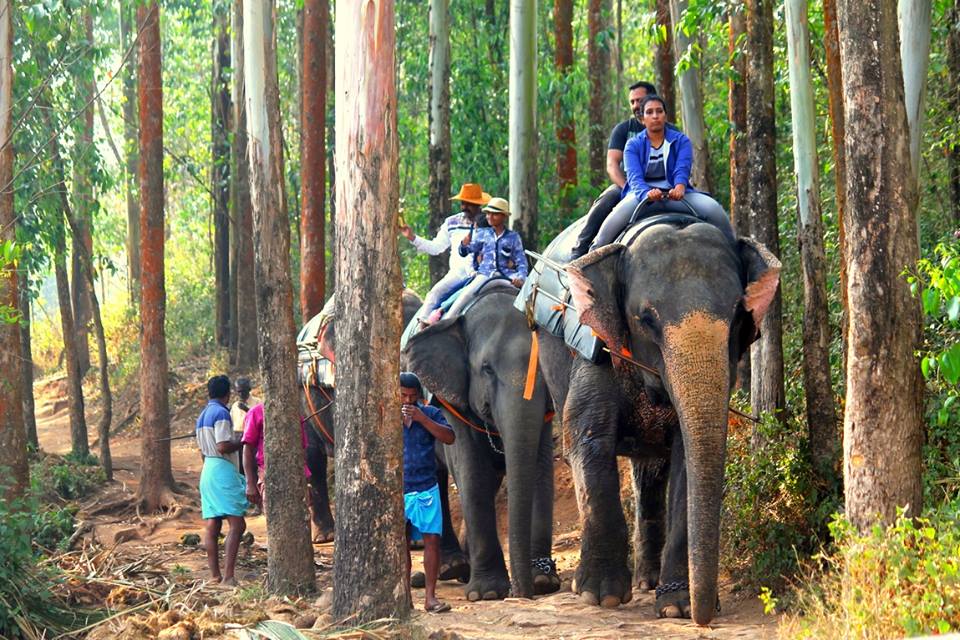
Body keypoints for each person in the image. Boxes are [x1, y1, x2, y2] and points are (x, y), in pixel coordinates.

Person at [591, 94, 735, 249]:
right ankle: (592, 255)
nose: (655, 116)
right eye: (649, 112)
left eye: (659, 111)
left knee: (715, 210)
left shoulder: (681, 141)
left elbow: (682, 168)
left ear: (665, 116)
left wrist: (680, 187)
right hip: (641, 198)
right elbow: (634, 177)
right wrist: (646, 193)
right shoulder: (632, 145)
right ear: (642, 119)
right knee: (609, 226)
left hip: (676, 195)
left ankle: (736, 251)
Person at [571, 81, 659, 258]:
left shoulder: (670, 131)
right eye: (632, 102)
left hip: (662, 186)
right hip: (628, 185)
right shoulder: (624, 130)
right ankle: (580, 251)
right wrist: (628, 188)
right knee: (607, 199)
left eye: (639, 100)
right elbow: (612, 164)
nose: (635, 106)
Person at [400, 372, 455, 613]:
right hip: (399, 489)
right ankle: (404, 598)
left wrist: (422, 419)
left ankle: (430, 598)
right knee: (400, 543)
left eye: (412, 396)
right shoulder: (387, 415)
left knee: (432, 540)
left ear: (419, 396)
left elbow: (449, 437)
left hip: (426, 486)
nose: (408, 401)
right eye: (403, 396)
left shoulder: (430, 413)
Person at [399, 183, 491, 326]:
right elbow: (436, 248)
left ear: (479, 204)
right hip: (457, 274)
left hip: (485, 273)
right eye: (463, 203)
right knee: (434, 294)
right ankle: (421, 329)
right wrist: (412, 237)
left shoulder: (490, 221)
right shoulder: (452, 222)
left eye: (469, 204)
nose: (464, 207)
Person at [196, 375, 247, 586]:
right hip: (222, 469)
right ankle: (228, 577)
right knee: (237, 524)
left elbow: (204, 449)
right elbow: (223, 445)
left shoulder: (202, 415)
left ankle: (215, 575)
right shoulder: (222, 413)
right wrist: (243, 440)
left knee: (213, 524)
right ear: (227, 394)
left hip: (207, 468)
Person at [442, 197, 528, 320]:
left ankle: (538, 325)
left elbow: (521, 261)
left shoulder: (513, 237)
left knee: (531, 290)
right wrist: (464, 245)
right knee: (467, 293)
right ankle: (448, 320)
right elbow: (466, 252)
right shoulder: (483, 234)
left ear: (504, 216)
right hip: (485, 275)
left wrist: (521, 278)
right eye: (488, 213)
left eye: (494, 214)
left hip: (507, 275)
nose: (489, 217)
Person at [229, 377, 259, 475]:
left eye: (243, 391)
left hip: (253, 441)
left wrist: (247, 410)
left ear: (249, 389)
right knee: (240, 469)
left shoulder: (257, 403)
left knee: (253, 469)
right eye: (239, 392)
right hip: (238, 440)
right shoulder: (235, 406)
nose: (241, 394)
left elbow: (261, 420)